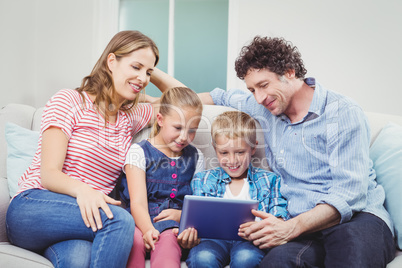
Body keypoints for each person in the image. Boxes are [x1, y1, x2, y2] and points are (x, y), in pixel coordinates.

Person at [152, 36, 396, 267]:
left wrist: (291, 228)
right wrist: (145, 93)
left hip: (356, 218)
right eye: (252, 90)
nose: (258, 98)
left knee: (352, 259)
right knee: (275, 263)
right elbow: (213, 97)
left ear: (290, 72)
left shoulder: (342, 113)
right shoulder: (267, 105)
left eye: (263, 85)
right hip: (301, 225)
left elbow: (349, 194)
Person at [5, 30, 164, 268]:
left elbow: (183, 100)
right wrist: (85, 191)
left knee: (78, 261)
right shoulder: (70, 101)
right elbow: (49, 173)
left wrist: (146, 70)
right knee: (119, 220)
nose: (143, 78)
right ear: (111, 61)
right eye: (135, 66)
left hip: (81, 220)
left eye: (148, 72)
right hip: (34, 206)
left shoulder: (129, 117)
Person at [186, 110, 289, 268]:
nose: (232, 160)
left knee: (246, 258)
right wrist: (190, 233)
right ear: (215, 149)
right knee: (203, 258)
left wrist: (263, 226)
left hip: (250, 241)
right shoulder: (203, 179)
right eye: (224, 153)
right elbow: (197, 219)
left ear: (253, 148)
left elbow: (279, 215)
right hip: (212, 241)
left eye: (240, 152)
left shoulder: (270, 180)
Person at [119, 86, 204, 268]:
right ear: (160, 120)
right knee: (135, 241)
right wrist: (148, 229)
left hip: (172, 227)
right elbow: (137, 203)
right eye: (178, 128)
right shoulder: (138, 152)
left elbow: (199, 205)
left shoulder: (197, 157)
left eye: (191, 130)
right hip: (138, 221)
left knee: (167, 243)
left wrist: (182, 216)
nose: (184, 137)